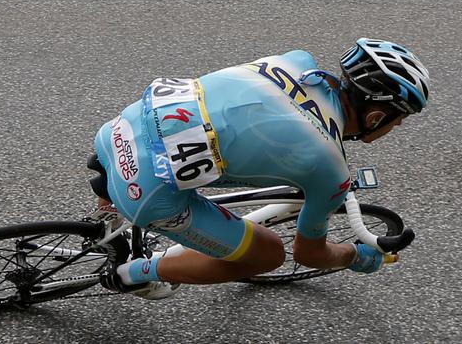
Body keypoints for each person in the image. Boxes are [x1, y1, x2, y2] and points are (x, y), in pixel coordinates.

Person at [89, 38, 430, 299]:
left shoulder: (296, 61)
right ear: (377, 116)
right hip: (147, 194)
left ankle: (106, 214)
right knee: (268, 255)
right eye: (399, 120)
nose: (396, 127)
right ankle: (135, 275)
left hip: (119, 128)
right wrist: (355, 256)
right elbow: (309, 254)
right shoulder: (329, 166)